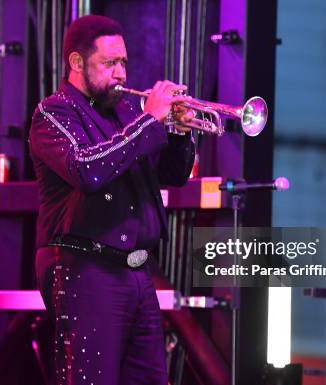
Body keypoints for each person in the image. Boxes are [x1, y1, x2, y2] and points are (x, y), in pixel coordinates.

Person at [29, 15, 195, 385]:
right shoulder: (54, 112)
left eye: (123, 62)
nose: (121, 73)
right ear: (76, 63)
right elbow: (87, 169)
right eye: (109, 63)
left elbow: (171, 175)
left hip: (136, 273)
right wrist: (150, 121)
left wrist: (180, 134)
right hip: (85, 270)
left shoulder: (126, 114)